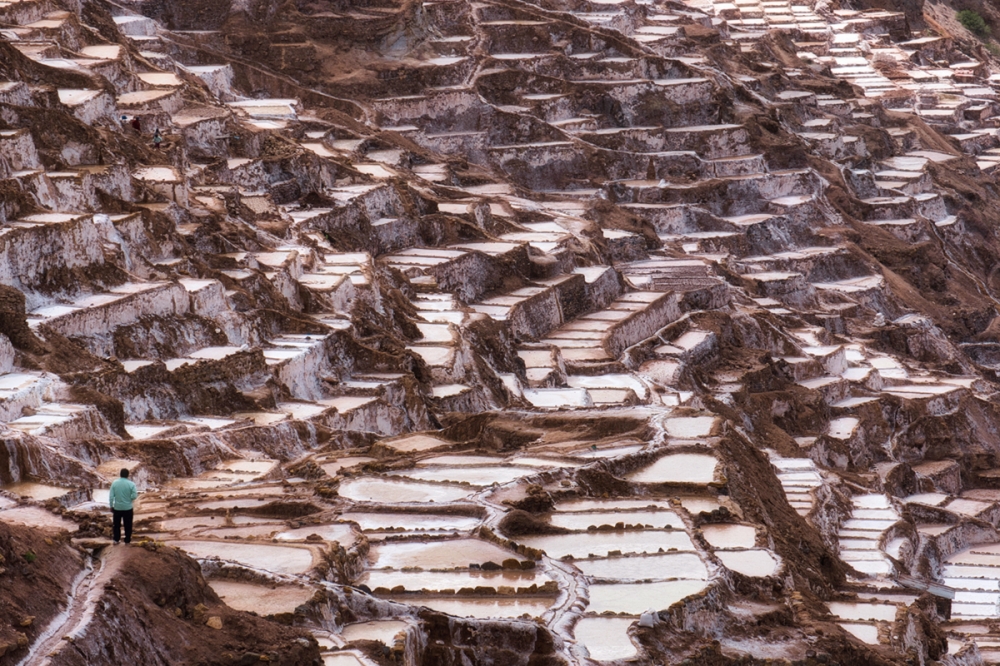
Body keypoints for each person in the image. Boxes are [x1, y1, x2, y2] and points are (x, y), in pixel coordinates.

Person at [109, 468, 138, 545]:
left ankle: (116, 539)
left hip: (117, 507)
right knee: (128, 524)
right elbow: (134, 495)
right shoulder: (131, 484)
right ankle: (127, 540)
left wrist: (111, 506)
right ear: (128, 475)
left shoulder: (114, 483)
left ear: (120, 474)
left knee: (116, 524)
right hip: (128, 507)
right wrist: (129, 499)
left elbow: (111, 496)